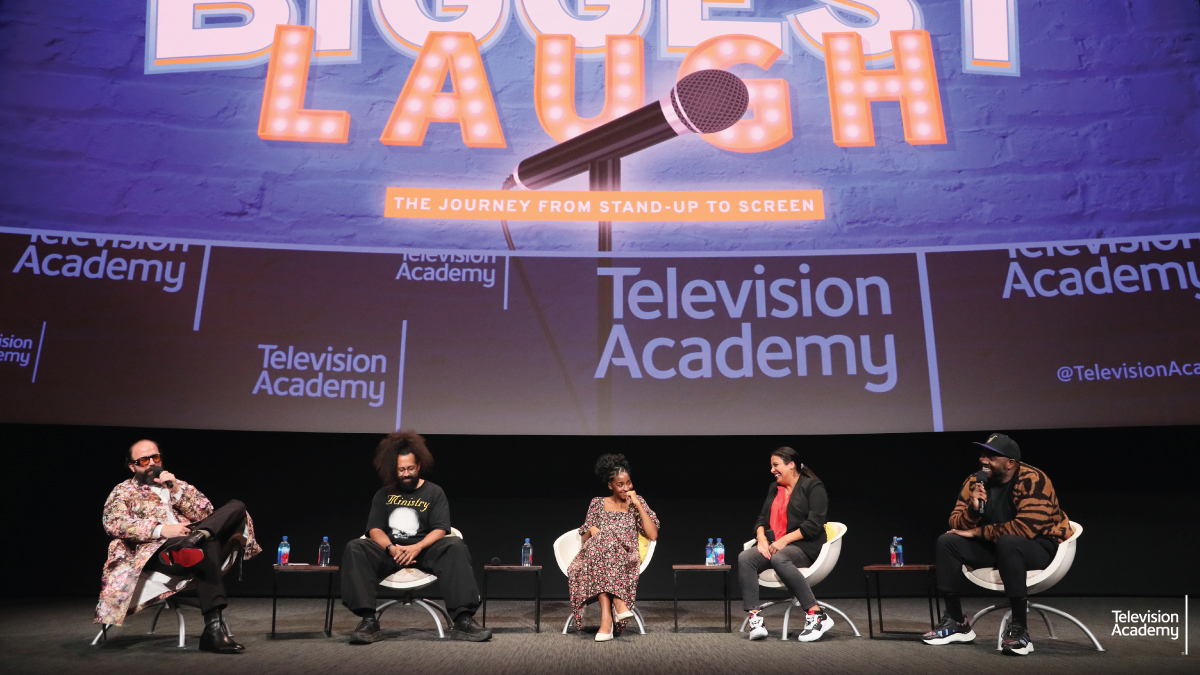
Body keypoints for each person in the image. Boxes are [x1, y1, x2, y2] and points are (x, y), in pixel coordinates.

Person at [95, 440, 261, 654]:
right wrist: (162, 529)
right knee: (206, 544)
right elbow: (114, 523)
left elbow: (207, 514)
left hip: (192, 542)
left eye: (155, 457)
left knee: (236, 506)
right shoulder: (123, 491)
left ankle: (196, 540)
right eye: (144, 460)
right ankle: (214, 631)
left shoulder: (177, 484)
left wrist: (176, 489)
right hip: (157, 551)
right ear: (132, 466)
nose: (151, 463)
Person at [922, 433, 1073, 656]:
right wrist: (973, 509)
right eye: (983, 455)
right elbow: (954, 522)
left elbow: (1025, 529)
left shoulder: (1034, 480)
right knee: (948, 541)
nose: (983, 460)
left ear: (1010, 463)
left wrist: (975, 531)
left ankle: (1020, 628)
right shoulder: (976, 481)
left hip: (1039, 547)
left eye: (992, 457)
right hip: (999, 546)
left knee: (1009, 541)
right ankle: (957, 622)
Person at [341, 430, 491, 643]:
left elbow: (440, 529)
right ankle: (368, 621)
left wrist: (417, 547)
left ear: (419, 465)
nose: (406, 473)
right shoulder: (383, 494)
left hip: (423, 550)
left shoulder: (434, 492)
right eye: (401, 469)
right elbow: (375, 530)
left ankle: (463, 621)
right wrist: (391, 549)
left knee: (455, 545)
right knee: (355, 547)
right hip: (391, 552)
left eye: (410, 468)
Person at [738, 447, 832, 642]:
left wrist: (784, 540)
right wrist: (761, 538)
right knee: (746, 558)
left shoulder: (813, 487)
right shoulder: (774, 488)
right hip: (776, 545)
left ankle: (817, 615)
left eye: (776, 465)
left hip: (805, 547)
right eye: (771, 466)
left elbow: (813, 525)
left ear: (791, 465)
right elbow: (761, 519)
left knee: (780, 558)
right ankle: (755, 619)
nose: (772, 470)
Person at [568, 453, 659, 642]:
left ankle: (607, 621)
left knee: (605, 545)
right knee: (604, 543)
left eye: (628, 483)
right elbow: (585, 538)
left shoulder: (637, 502)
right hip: (598, 554)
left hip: (625, 556)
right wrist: (592, 529)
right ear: (610, 485)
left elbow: (653, 534)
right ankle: (617, 605)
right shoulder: (597, 503)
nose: (626, 488)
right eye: (620, 484)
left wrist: (638, 505)